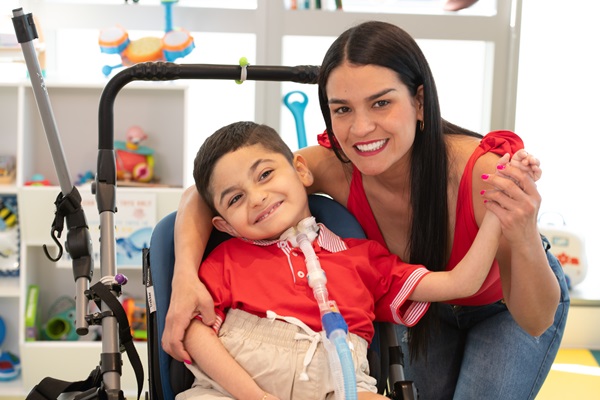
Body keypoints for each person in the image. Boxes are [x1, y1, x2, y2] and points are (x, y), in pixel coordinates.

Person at [165, 21, 569, 399]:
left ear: (420, 102)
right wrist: (185, 280)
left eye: (380, 103)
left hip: (507, 305)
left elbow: (534, 320)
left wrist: (521, 228)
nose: (360, 129)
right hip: (425, 308)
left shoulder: (484, 177)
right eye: (342, 109)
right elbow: (201, 196)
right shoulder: (332, 164)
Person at [177, 121, 535, 400]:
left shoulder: (363, 260)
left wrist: (496, 214)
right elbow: (194, 332)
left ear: (302, 171)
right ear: (223, 224)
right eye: (236, 198)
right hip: (233, 387)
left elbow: (461, 283)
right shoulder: (225, 260)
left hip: (340, 384)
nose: (256, 197)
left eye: (266, 174)